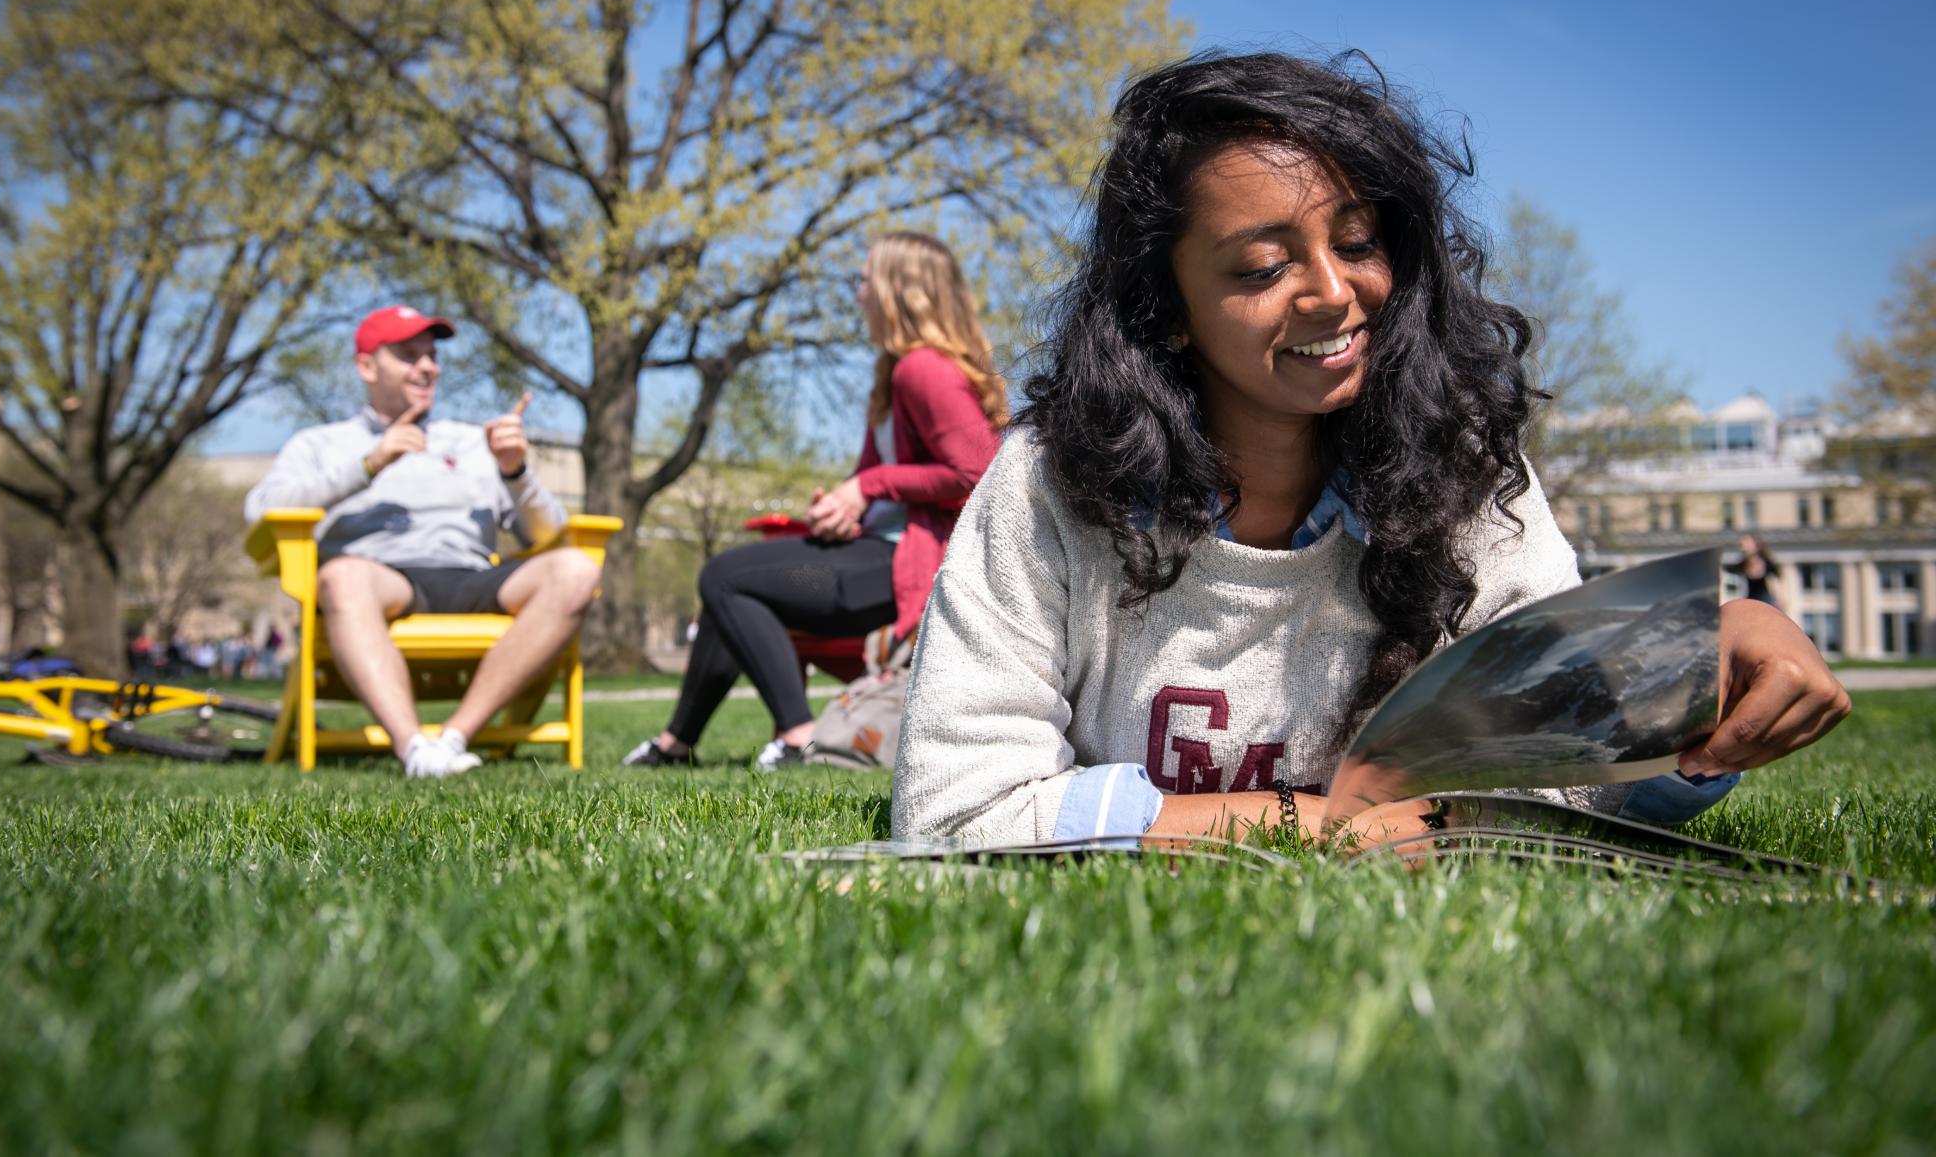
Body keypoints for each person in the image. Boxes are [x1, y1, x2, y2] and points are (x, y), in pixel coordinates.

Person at [891, 51, 1852, 849]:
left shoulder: (1468, 479)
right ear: (1164, 308)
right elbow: (959, 806)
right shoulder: (1050, 487)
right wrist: (1315, 828)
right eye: (1263, 267)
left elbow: (1560, 776)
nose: (1331, 292)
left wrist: (1698, 683)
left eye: (1358, 242)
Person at [622, 232, 1007, 771]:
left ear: (900, 289)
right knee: (734, 582)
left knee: (726, 576)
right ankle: (675, 745)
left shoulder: (924, 369)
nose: (858, 293)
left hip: (903, 568)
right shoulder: (893, 374)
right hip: (872, 552)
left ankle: (800, 735)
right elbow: (878, 479)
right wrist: (841, 507)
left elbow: (978, 473)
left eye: (865, 279)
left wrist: (869, 489)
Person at [244, 305, 602, 778]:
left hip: (473, 576)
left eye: (431, 356)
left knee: (576, 569)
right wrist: (368, 465)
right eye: (409, 355)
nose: (428, 366)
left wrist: (515, 471)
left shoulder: (474, 441)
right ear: (367, 367)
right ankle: (413, 746)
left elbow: (545, 534)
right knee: (342, 577)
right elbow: (262, 510)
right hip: (383, 580)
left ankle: (452, 738)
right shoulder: (322, 444)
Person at [1726, 533, 1782, 608]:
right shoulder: (1741, 565)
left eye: (1747, 544)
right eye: (1741, 545)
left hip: (1765, 600)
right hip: (1749, 599)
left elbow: (1776, 580)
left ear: (1755, 544)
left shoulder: (1766, 562)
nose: (1743, 547)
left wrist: (1779, 598)